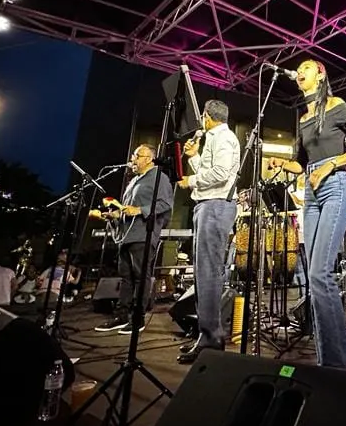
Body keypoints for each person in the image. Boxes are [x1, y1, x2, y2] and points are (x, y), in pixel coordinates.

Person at [268, 59, 346, 370]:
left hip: (335, 185)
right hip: (311, 192)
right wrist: (280, 163)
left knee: (319, 273)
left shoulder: (336, 104)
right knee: (313, 278)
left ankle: (341, 362)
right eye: (298, 69)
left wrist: (332, 164)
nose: (299, 71)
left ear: (321, 73)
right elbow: (302, 163)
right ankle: (327, 358)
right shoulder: (303, 118)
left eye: (307, 66)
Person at [175, 100, 241, 364]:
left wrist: (189, 180)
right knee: (203, 271)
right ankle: (207, 334)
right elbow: (209, 170)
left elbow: (222, 173)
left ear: (206, 116)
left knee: (208, 271)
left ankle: (211, 336)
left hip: (215, 206)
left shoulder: (223, 137)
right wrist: (193, 158)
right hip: (209, 204)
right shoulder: (215, 137)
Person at [93, 144, 174, 334]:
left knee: (140, 276)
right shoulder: (134, 181)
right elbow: (126, 209)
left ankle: (138, 319)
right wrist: (114, 215)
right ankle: (122, 315)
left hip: (142, 234)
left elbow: (165, 204)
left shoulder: (159, 178)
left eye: (137, 155)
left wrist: (140, 210)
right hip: (126, 235)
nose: (132, 159)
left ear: (149, 159)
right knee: (126, 277)